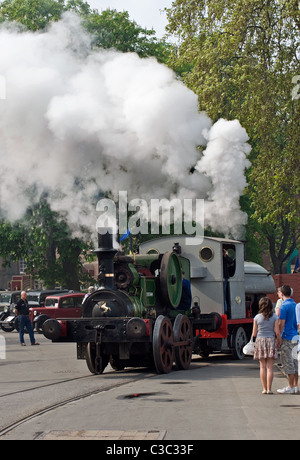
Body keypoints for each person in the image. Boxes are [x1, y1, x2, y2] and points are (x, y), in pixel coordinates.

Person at [252, 297, 281, 394]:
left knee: (262, 367)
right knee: (270, 367)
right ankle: (269, 389)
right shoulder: (274, 317)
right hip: (271, 340)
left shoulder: (257, 317)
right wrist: (279, 340)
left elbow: (254, 333)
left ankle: (264, 389)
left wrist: (252, 342)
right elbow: (277, 332)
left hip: (260, 341)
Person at [277, 285, 298, 394]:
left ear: (282, 294)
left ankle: (290, 386)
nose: (277, 294)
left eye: (278, 292)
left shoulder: (284, 306)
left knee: (288, 362)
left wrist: (279, 336)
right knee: (295, 361)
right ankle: (295, 385)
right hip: (295, 336)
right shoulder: (295, 305)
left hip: (287, 336)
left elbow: (281, 323)